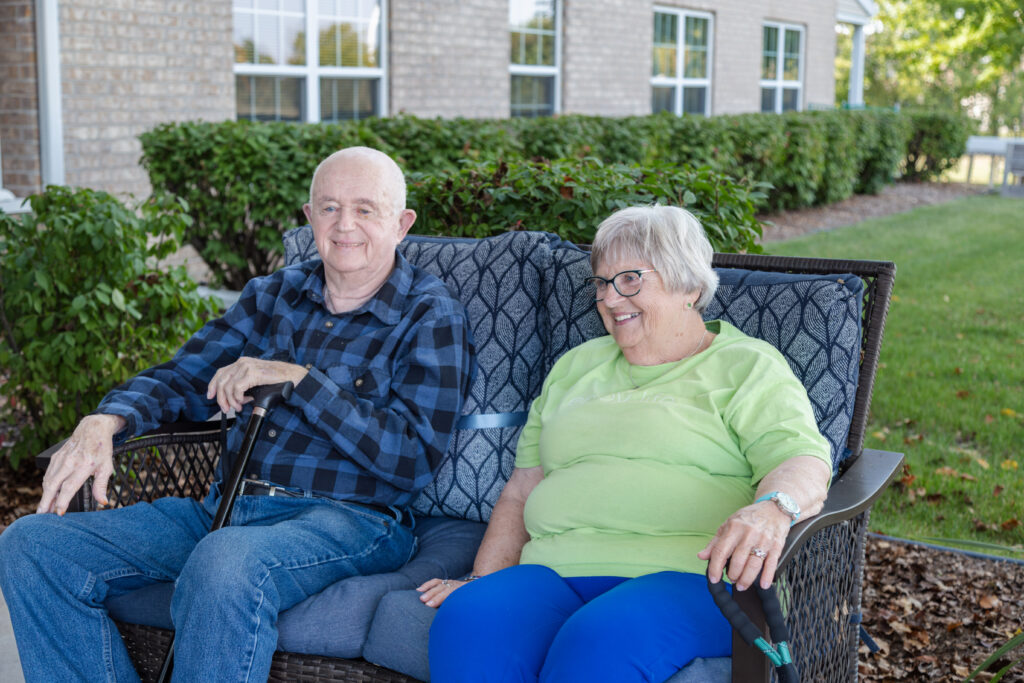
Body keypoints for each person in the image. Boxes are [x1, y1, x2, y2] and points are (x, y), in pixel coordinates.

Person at [0, 147, 475, 682]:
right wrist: (105, 420)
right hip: (225, 507)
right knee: (32, 546)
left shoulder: (429, 315)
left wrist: (299, 379)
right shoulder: (274, 295)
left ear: (402, 223)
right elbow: (184, 377)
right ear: (308, 216)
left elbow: (410, 458)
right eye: (329, 208)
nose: (345, 226)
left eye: (365, 209)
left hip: (350, 520)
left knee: (224, 562)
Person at [419, 205, 832, 683]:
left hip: (685, 579)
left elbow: (801, 459)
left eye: (630, 279)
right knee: (471, 619)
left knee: (598, 641)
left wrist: (773, 509)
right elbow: (521, 489)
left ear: (690, 286)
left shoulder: (746, 366)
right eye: (601, 282)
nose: (610, 299)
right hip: (552, 572)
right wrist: (480, 581)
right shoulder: (575, 368)